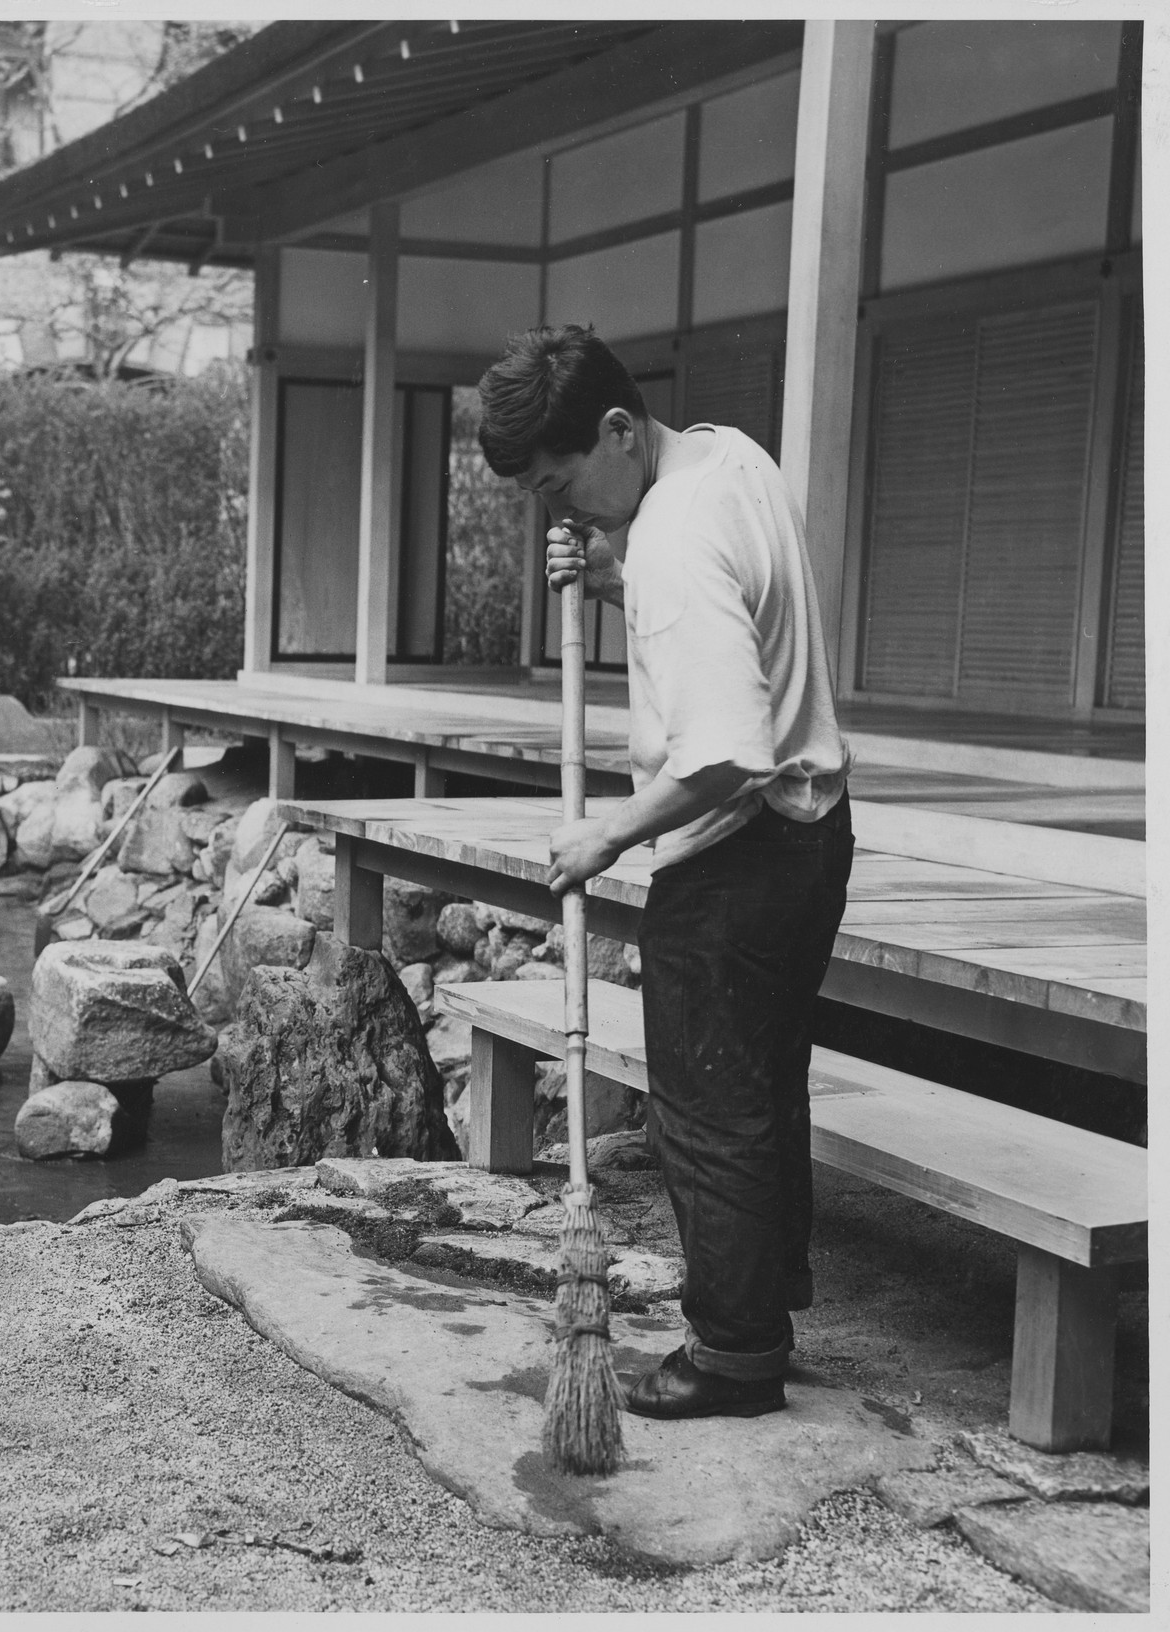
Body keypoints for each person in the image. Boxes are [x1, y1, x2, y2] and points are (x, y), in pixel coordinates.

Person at [476, 324, 853, 1420]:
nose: (562, 510)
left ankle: (732, 1357)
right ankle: (764, 1299)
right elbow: (719, 601)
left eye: (561, 483)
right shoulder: (723, 458)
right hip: (811, 834)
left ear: (613, 431)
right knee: (764, 1088)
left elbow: (727, 748)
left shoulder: (673, 540)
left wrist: (606, 836)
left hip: (733, 855)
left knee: (706, 1108)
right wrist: (611, 572)